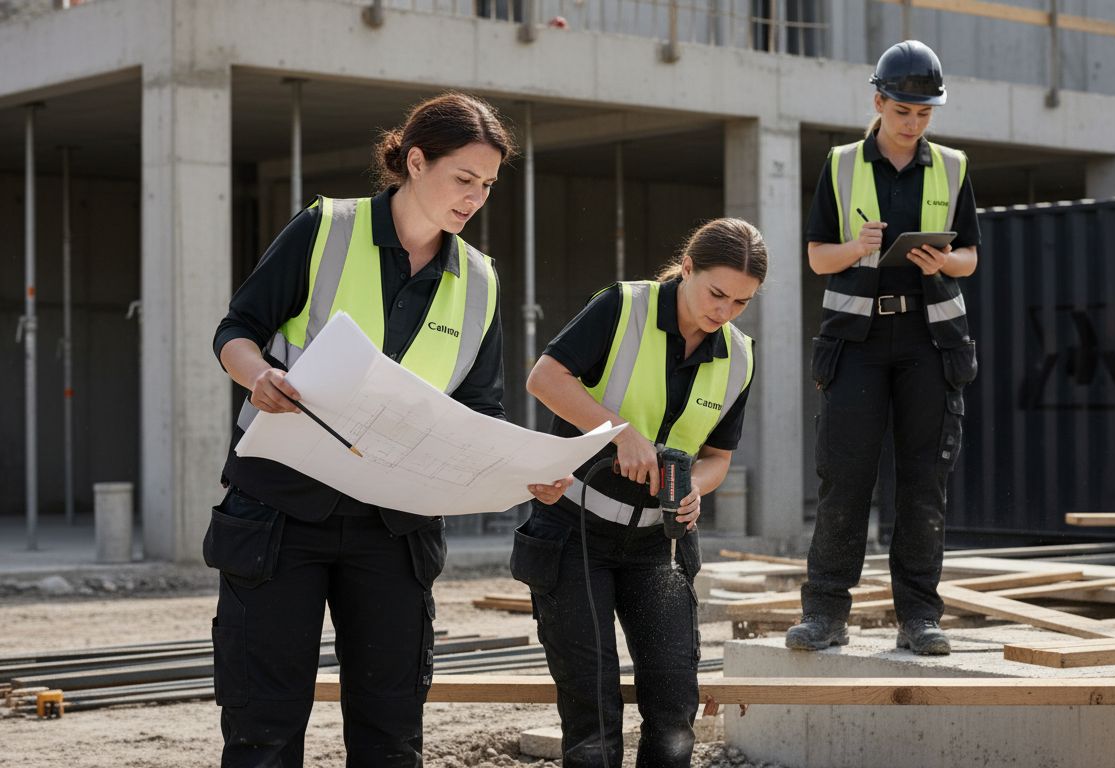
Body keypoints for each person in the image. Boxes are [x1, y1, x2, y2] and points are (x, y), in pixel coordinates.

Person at [208, 91, 570, 767]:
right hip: (278, 511)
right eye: (463, 178)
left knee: (391, 732)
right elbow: (237, 331)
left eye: (487, 186)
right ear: (414, 161)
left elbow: (479, 410)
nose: (474, 198)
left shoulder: (481, 281)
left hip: (393, 529)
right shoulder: (325, 230)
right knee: (264, 725)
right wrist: (256, 375)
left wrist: (520, 471)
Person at [512, 218, 767, 767]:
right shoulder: (622, 308)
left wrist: (695, 489)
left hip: (662, 546)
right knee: (593, 714)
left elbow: (717, 460)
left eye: (741, 302)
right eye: (716, 293)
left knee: (675, 711)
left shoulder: (740, 357)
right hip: (575, 530)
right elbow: (545, 378)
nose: (724, 312)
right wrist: (618, 431)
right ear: (688, 269)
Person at [786, 40, 981, 656]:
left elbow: (970, 258)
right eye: (903, 111)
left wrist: (940, 260)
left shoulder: (951, 167)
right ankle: (824, 614)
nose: (913, 123)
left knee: (924, 483)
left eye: (924, 113)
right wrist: (859, 247)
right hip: (858, 342)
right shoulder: (842, 165)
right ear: (879, 101)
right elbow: (819, 257)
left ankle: (920, 618)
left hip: (929, 341)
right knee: (845, 479)